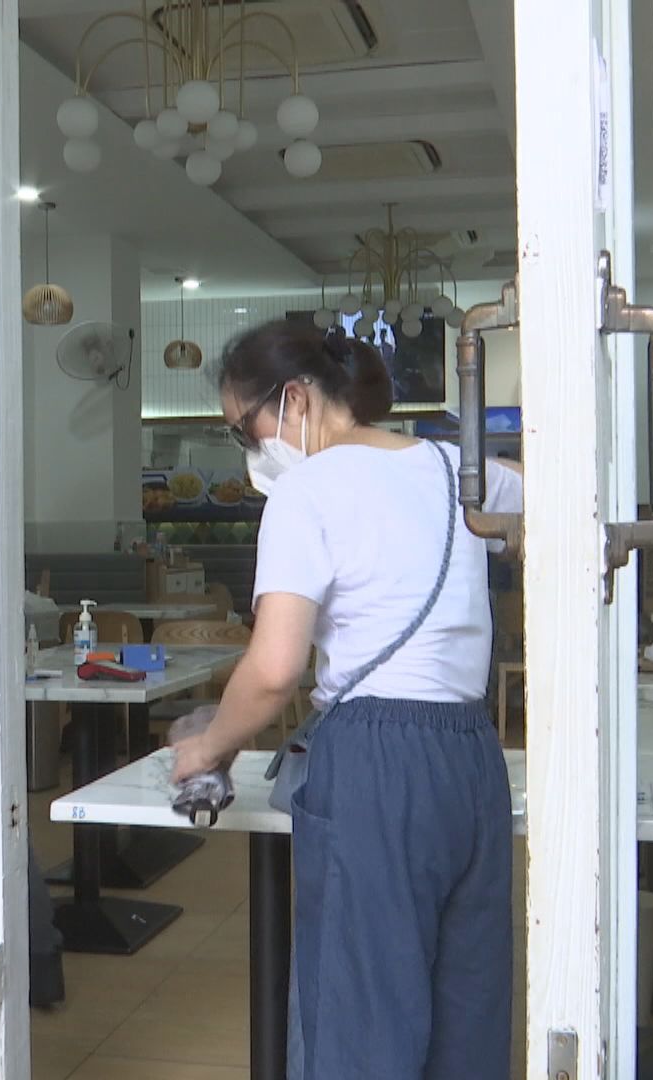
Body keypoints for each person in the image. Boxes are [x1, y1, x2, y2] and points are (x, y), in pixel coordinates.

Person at [172, 319, 524, 1078]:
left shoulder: (306, 493)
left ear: (294, 398)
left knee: (360, 1024)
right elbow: (560, 506)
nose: (251, 449)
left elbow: (273, 670)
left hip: (375, 764)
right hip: (472, 757)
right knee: (468, 1013)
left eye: (246, 428)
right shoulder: (458, 468)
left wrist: (205, 746)